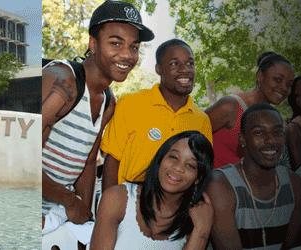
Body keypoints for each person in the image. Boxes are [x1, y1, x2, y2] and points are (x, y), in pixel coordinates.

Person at [42, 1, 153, 249]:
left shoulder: (108, 102)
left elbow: (89, 162)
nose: (127, 55)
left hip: (62, 218)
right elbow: (18, 158)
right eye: (116, 43)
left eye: (133, 47)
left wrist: (84, 211)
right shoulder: (62, 81)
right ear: (93, 44)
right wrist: (71, 202)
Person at [100, 38, 213, 192]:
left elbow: (201, 173)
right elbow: (112, 161)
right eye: (174, 63)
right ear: (159, 69)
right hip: (129, 198)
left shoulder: (202, 121)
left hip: (174, 205)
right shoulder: (130, 103)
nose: (185, 69)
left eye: (190, 63)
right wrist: (110, 206)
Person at [90, 131, 214, 250]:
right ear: (161, 158)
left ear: (198, 178)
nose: (178, 167)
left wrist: (201, 230)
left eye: (190, 165)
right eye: (173, 157)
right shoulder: (117, 198)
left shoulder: (196, 220)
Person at [206, 103, 301, 250]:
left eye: (277, 132)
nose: (271, 140)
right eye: (259, 133)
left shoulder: (295, 184)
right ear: (242, 139)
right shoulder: (220, 184)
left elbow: (291, 246)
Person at [205, 52, 294, 169]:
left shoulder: (271, 117)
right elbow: (188, 137)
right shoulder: (230, 106)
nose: (284, 88)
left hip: (244, 185)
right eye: (278, 79)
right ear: (260, 76)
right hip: (214, 183)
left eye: (289, 85)